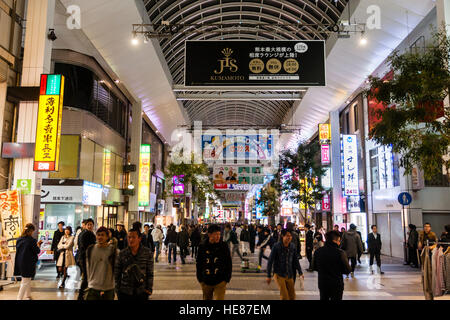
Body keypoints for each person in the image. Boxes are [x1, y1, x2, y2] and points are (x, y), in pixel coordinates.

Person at [115, 228, 153, 300]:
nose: (131, 240)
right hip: (125, 291)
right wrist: (117, 290)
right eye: (129, 237)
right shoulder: (122, 253)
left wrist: (149, 288)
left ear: (139, 239)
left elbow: (150, 272)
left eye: (133, 237)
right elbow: (117, 273)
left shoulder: (147, 253)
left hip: (141, 291)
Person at [312, 231, 352, 301]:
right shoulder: (340, 253)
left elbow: (313, 267)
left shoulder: (318, 252)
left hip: (323, 283)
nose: (339, 243)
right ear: (335, 240)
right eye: (339, 241)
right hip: (337, 284)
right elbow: (347, 270)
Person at [196, 224, 232, 300]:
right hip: (206, 281)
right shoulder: (202, 246)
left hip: (220, 281)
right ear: (209, 234)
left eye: (219, 234)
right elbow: (199, 263)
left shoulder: (223, 246)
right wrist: (200, 279)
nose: (218, 236)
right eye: (215, 234)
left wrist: (226, 278)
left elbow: (228, 262)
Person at [266, 229, 303, 300]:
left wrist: (300, 272)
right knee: (285, 297)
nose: (289, 237)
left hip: (289, 274)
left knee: (292, 296)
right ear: (282, 236)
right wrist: (268, 275)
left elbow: (295, 260)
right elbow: (270, 260)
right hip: (279, 274)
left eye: (290, 236)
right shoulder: (276, 246)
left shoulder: (292, 246)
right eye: (287, 236)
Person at [84, 227, 119, 300]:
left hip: (108, 288)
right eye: (98, 235)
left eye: (102, 235)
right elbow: (87, 267)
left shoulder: (113, 251)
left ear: (107, 237)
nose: (100, 237)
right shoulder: (90, 249)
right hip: (93, 287)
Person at [14, 223, 43, 300]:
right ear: (30, 231)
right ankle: (19, 298)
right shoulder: (31, 240)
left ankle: (28, 295)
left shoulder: (19, 239)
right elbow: (37, 251)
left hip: (20, 262)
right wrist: (38, 245)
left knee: (27, 279)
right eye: (33, 231)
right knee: (25, 281)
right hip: (28, 263)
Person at [76, 218, 96, 300]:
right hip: (86, 258)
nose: (90, 226)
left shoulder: (82, 233)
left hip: (82, 257)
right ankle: (82, 295)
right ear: (86, 225)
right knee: (87, 277)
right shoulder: (88, 234)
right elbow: (87, 247)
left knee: (86, 277)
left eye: (91, 225)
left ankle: (83, 294)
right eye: (88, 224)